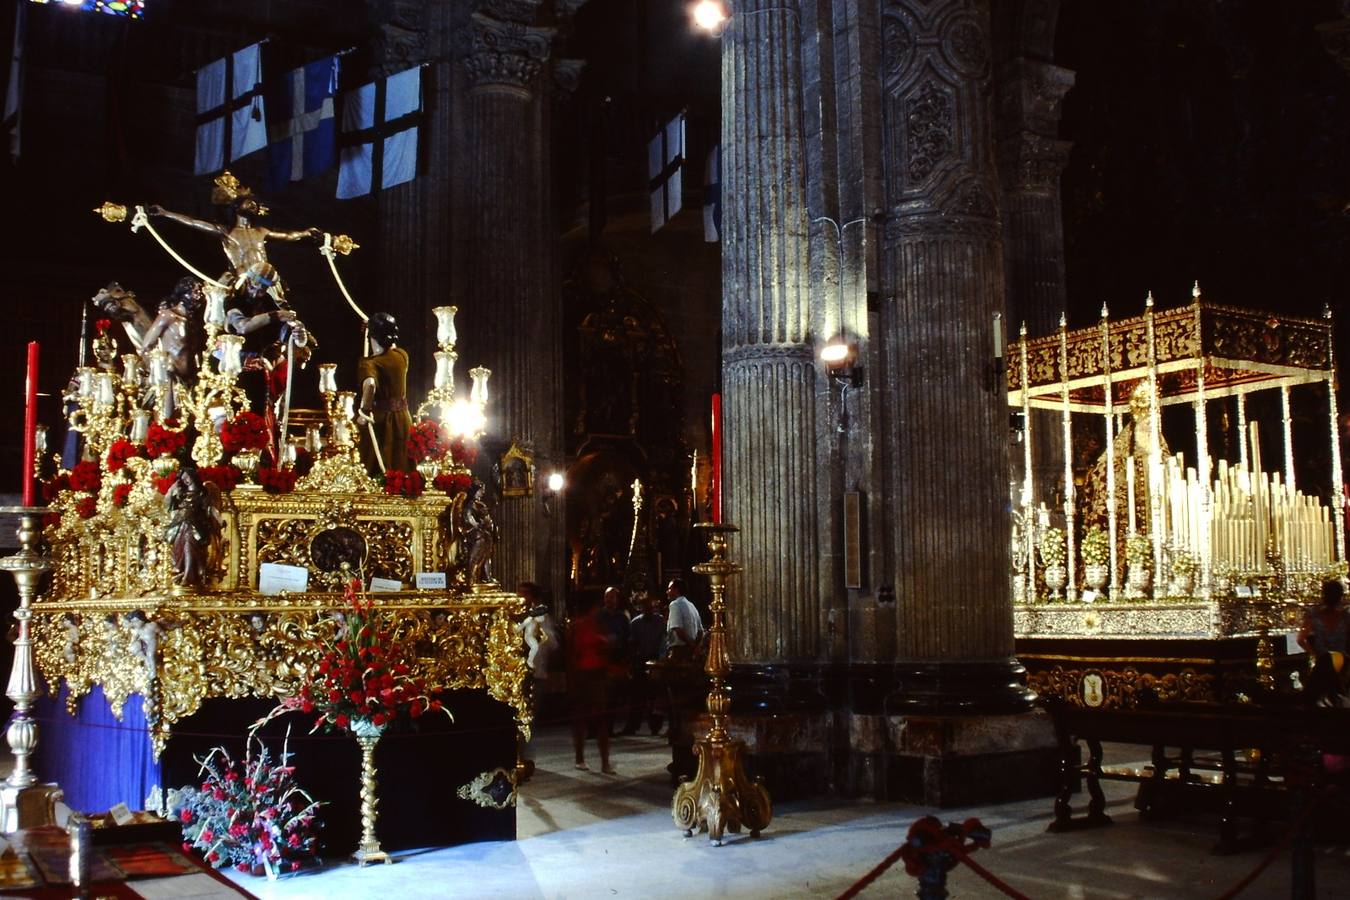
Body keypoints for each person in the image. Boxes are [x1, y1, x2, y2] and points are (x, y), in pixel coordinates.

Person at [147, 171, 322, 308]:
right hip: (243, 282)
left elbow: (287, 236)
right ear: (237, 206)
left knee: (281, 310)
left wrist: (305, 233)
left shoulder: (261, 231)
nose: (253, 204)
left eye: (254, 203)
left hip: (266, 282)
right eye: (248, 202)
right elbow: (194, 223)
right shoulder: (227, 231)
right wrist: (166, 213)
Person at [356, 312, 413, 474]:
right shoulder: (402, 356)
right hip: (402, 417)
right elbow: (389, 350)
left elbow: (370, 385)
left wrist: (364, 412)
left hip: (381, 421)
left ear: (372, 335)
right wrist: (373, 328)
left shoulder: (369, 364)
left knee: (376, 463)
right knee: (401, 460)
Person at [567, 593, 616, 775]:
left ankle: (605, 762)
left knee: (601, 720)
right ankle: (580, 758)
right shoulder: (577, 627)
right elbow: (572, 655)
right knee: (581, 720)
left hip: (596, 675)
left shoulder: (597, 625)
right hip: (583, 676)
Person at [164, 464, 222, 590]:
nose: (186, 480)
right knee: (179, 548)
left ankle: (191, 574)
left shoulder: (202, 493)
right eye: (183, 478)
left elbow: (210, 509)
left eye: (187, 477)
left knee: (190, 548)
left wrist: (218, 520)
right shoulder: (182, 494)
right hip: (181, 525)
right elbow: (168, 505)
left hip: (195, 526)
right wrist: (172, 489)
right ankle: (181, 569)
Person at [1297, 579, 1350, 707]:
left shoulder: (1314, 615)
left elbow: (1300, 639)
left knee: (1312, 697)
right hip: (1342, 659)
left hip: (1324, 659)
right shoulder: (1345, 616)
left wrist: (1314, 653)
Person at [623, 592, 666, 736]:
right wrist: (631, 663)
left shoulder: (660, 621)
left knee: (656, 696)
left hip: (656, 660)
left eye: (650, 605)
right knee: (637, 695)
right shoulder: (636, 623)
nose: (647, 608)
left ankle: (655, 725)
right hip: (641, 661)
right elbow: (632, 644)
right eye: (644, 606)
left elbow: (664, 640)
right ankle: (632, 725)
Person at [597, 586, 631, 733]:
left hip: (616, 660)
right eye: (607, 597)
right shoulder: (599, 616)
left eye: (612, 597)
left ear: (617, 600)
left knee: (613, 696)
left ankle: (609, 727)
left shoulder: (622, 618)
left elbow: (627, 638)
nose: (609, 600)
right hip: (600, 660)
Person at [664, 577, 704, 662]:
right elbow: (700, 632)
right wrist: (696, 647)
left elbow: (678, 629)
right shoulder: (691, 605)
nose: (667, 592)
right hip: (691, 652)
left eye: (669, 589)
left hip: (679, 652)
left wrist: (692, 646)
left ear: (676, 590)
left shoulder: (675, 604)